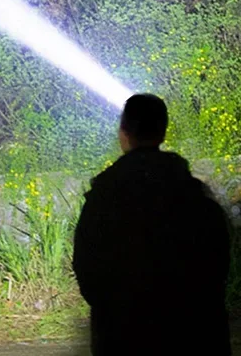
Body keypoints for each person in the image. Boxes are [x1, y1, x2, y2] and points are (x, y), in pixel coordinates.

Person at [73, 93, 231, 356]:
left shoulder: (104, 197)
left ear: (124, 134)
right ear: (163, 131)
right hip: (194, 333)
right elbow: (218, 260)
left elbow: (87, 266)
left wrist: (111, 311)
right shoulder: (193, 194)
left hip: (123, 335)